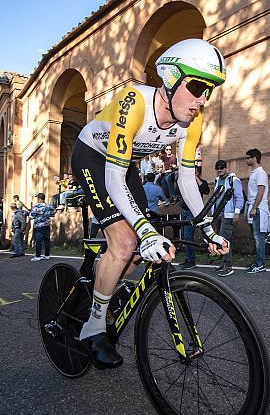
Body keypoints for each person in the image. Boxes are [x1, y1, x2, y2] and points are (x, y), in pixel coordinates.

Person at [70, 38, 229, 369]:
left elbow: (187, 179)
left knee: (138, 253)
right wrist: (143, 231)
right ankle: (93, 326)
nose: (202, 99)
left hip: (125, 167)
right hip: (94, 159)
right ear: (170, 78)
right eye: (197, 86)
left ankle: (103, 280)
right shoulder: (134, 102)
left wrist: (208, 229)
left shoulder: (192, 121)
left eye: (209, 90)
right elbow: (113, 180)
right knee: (128, 240)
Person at [212, 159, 244, 277]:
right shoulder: (217, 181)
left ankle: (228, 265)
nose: (219, 170)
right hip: (218, 214)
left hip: (228, 214)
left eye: (222, 167)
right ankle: (223, 262)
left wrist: (237, 212)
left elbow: (239, 197)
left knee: (225, 239)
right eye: (217, 168)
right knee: (220, 239)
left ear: (226, 168)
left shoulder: (233, 180)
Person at [245, 148, 270, 274]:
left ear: (254, 158)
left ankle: (260, 264)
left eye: (248, 157)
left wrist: (254, 208)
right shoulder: (254, 173)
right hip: (253, 207)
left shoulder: (260, 173)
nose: (246, 160)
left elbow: (261, 191)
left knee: (259, 238)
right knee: (256, 237)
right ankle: (257, 261)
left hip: (258, 209)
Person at [180, 168, 210, 269]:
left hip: (192, 212)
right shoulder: (186, 182)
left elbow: (206, 191)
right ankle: (188, 258)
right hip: (184, 210)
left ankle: (191, 261)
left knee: (189, 236)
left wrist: (195, 178)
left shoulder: (201, 182)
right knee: (185, 237)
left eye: (195, 171)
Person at [29, 192, 56, 261]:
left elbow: (31, 216)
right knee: (47, 240)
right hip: (47, 225)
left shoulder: (36, 206)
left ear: (39, 198)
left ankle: (38, 256)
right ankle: (47, 255)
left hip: (38, 226)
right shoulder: (49, 206)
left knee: (38, 241)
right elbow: (53, 213)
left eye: (37, 198)